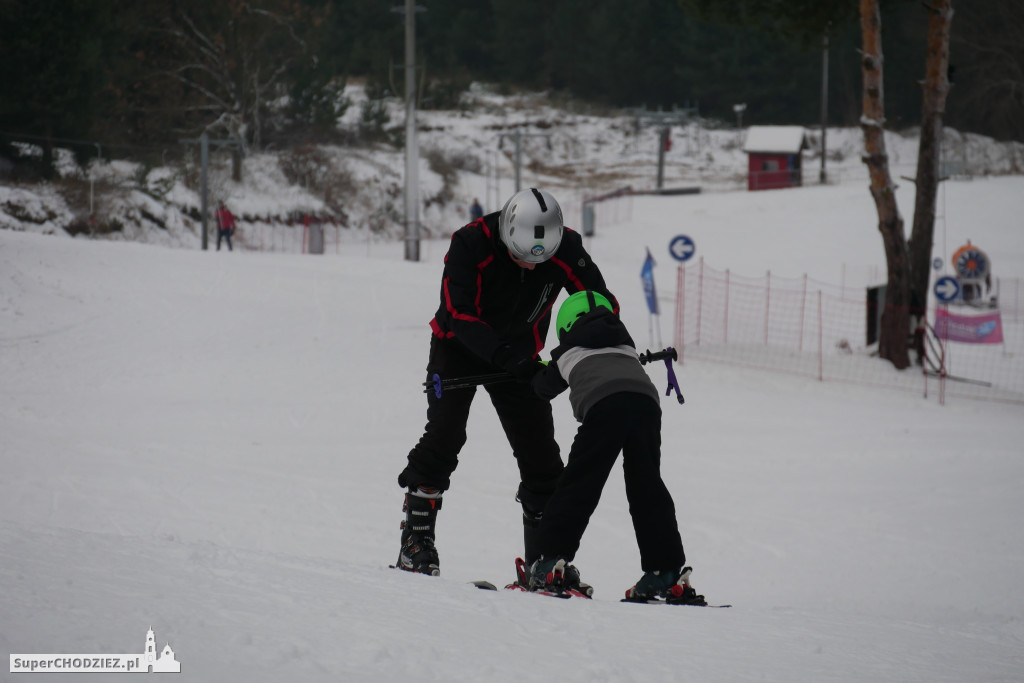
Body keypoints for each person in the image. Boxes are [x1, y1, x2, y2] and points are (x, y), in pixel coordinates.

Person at [396, 188, 619, 576]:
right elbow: (458, 314)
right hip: (458, 348)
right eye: (520, 258)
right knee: (445, 436)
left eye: (541, 261)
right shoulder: (470, 243)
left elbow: (599, 303)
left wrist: (575, 354)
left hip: (521, 354)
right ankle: (416, 543)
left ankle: (544, 561)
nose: (532, 268)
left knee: (542, 457)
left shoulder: (566, 246)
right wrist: (511, 359)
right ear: (506, 236)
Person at [524, 290, 706, 604]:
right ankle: (665, 571)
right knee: (646, 485)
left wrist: (535, 367)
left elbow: (542, 389)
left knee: (580, 483)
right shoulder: (626, 346)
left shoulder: (566, 352)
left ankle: (550, 560)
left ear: (567, 326)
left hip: (604, 406)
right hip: (646, 405)